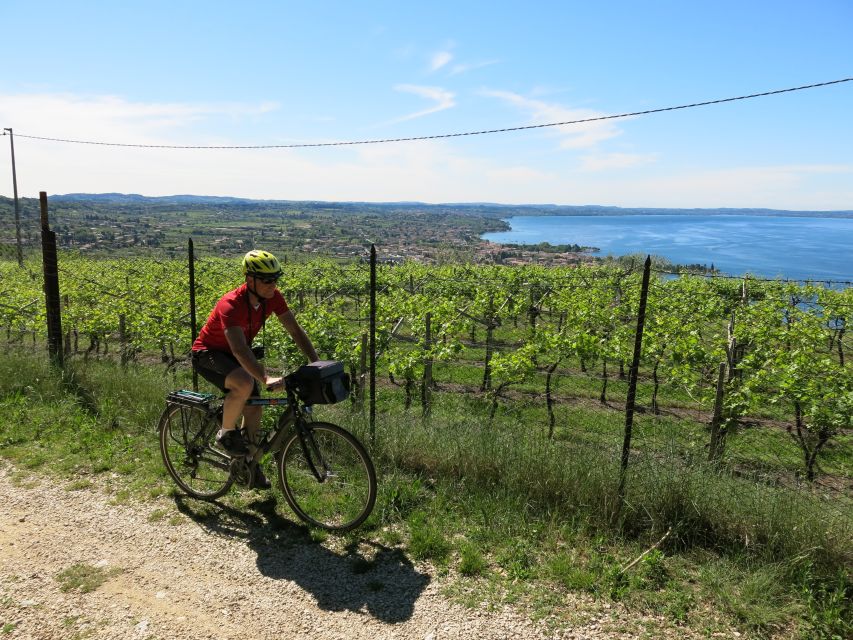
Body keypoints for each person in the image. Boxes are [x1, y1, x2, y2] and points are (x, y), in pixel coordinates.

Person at [191, 249, 319, 488]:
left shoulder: (273, 298)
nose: (273, 285)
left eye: (276, 279)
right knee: (245, 382)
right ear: (250, 280)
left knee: (255, 409)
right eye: (267, 280)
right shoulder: (230, 304)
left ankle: (247, 465)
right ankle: (226, 434)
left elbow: (295, 330)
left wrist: (315, 361)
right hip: (207, 354)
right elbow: (239, 350)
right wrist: (265, 377)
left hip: (233, 355)